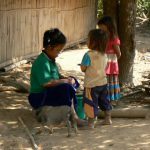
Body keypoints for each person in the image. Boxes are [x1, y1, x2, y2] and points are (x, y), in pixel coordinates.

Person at [28, 28, 84, 125]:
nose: (59, 53)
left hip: (48, 93)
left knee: (72, 80)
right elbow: (46, 83)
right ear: (49, 47)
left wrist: (68, 79)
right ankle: (73, 116)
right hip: (39, 97)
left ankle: (72, 112)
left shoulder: (50, 60)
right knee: (66, 87)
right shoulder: (42, 62)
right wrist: (65, 82)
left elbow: (57, 77)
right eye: (58, 50)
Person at [80, 29, 112, 128]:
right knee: (104, 101)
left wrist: (83, 66)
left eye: (88, 39)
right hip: (103, 82)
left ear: (93, 42)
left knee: (90, 103)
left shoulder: (88, 55)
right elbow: (105, 68)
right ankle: (108, 118)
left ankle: (91, 122)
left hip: (91, 84)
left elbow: (83, 68)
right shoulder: (104, 55)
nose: (86, 41)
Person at [97, 16, 121, 106]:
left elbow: (119, 53)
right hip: (103, 63)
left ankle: (112, 101)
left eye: (101, 26)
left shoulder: (114, 39)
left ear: (108, 26)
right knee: (104, 82)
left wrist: (112, 61)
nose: (100, 28)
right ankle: (105, 100)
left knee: (111, 82)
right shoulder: (103, 37)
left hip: (111, 65)